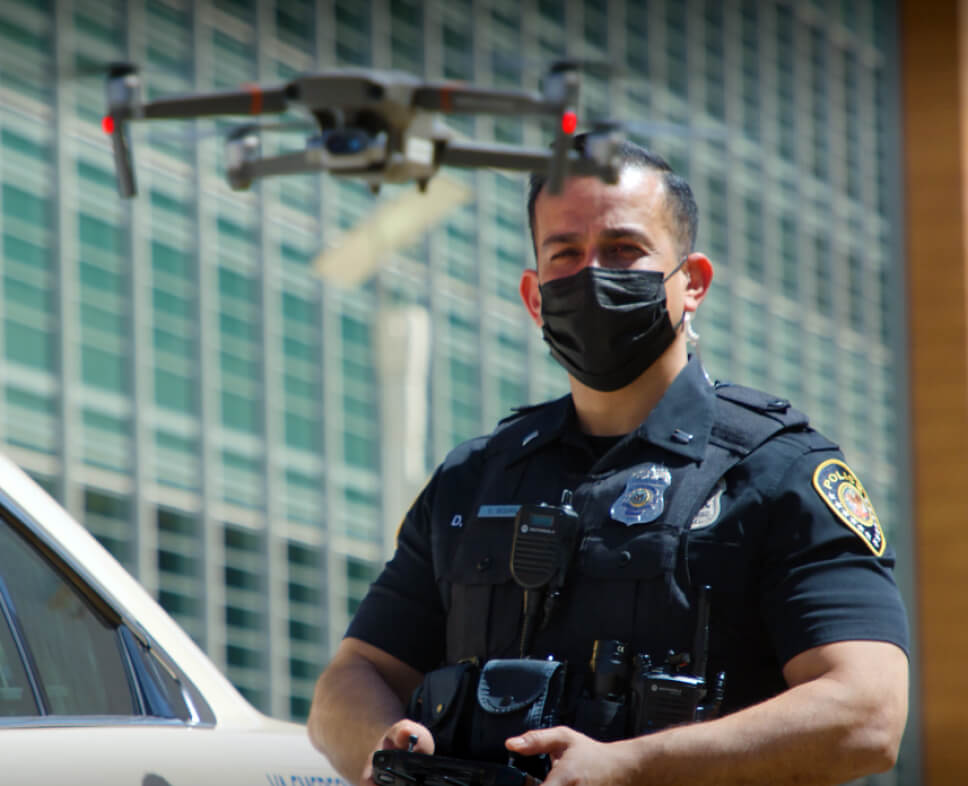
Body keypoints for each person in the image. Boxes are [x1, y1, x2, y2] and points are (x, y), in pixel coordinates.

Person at [307, 138, 909, 786]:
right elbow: (351, 679)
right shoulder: (473, 479)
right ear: (535, 297)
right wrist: (382, 751)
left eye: (624, 249)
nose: (593, 274)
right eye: (565, 254)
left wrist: (632, 768)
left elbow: (867, 713)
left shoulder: (779, 472)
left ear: (694, 283)